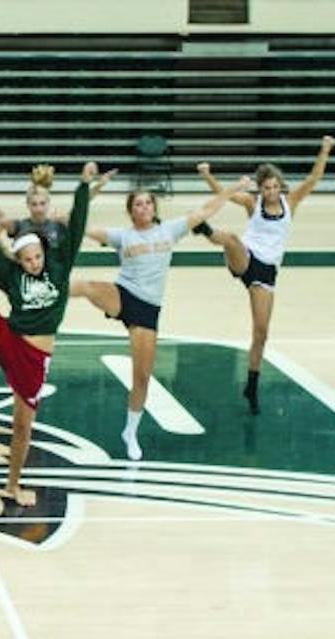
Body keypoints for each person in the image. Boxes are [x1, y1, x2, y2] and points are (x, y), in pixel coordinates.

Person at [0, 162, 100, 508]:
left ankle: (12, 485)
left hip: (34, 359)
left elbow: (76, 226)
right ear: (19, 260)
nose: (33, 263)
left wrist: (83, 185)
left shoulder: (60, 268)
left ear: (45, 253)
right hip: (10, 339)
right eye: (27, 259)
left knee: (22, 427)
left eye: (37, 257)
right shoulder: (11, 276)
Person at [72, 176, 248, 461]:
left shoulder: (171, 230)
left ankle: (130, 432)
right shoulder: (122, 236)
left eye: (147, 203)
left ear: (154, 207)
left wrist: (232, 189)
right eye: (137, 204)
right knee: (87, 287)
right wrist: (81, 198)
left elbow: (205, 210)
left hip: (147, 310)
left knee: (141, 377)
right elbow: (81, 228)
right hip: (123, 294)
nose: (143, 207)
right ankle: (43, 296)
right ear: (131, 211)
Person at [193, 135, 335, 414]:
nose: (271, 192)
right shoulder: (251, 203)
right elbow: (224, 193)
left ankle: (251, 384)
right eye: (266, 188)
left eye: (274, 187)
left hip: (266, 273)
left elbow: (315, 177)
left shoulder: (290, 202)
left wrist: (325, 149)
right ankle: (206, 229)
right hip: (246, 258)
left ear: (279, 187)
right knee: (233, 239)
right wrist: (207, 174)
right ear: (260, 189)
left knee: (261, 334)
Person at [0, 162, 112, 255]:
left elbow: (81, 205)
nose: (39, 209)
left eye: (42, 204)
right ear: (28, 205)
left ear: (48, 203)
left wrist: (98, 186)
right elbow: (3, 218)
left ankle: (104, 240)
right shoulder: (20, 225)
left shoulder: (57, 223)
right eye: (34, 204)